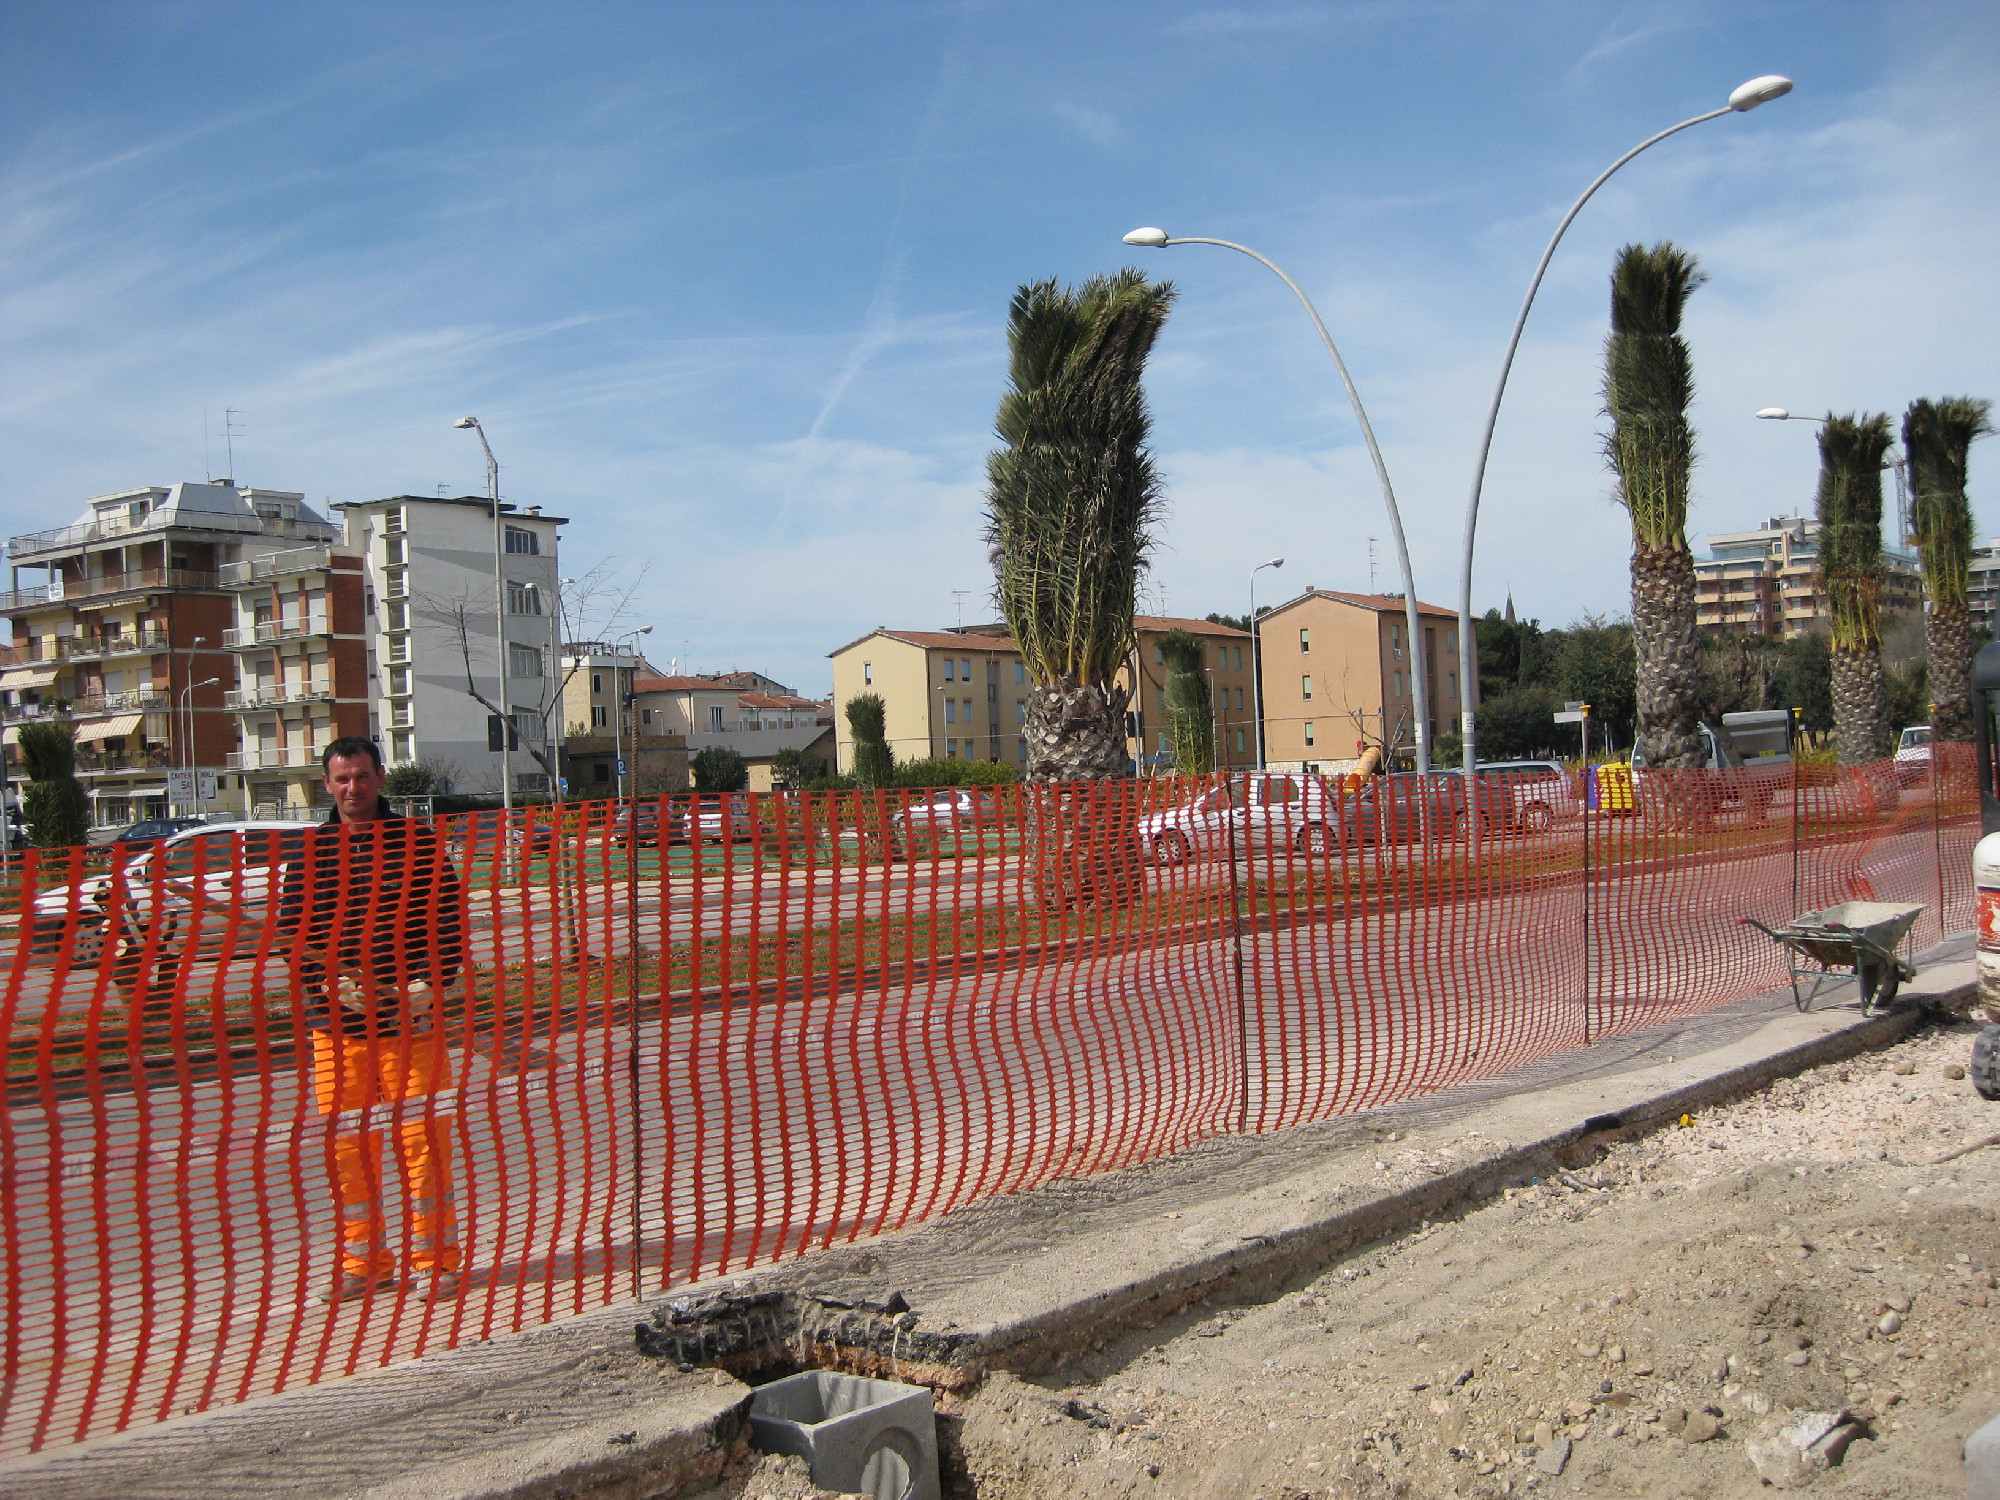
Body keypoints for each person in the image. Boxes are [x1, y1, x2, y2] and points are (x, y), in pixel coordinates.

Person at [278, 736, 468, 1302]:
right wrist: (326, 985)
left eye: (362, 776)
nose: (352, 788)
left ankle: (437, 1261)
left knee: (423, 1144)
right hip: (336, 1033)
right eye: (342, 779)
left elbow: (449, 926)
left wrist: (428, 988)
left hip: (411, 1027)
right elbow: (295, 936)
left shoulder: (416, 845)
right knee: (347, 1153)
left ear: (381, 779)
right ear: (327, 784)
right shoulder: (311, 855)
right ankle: (364, 1264)